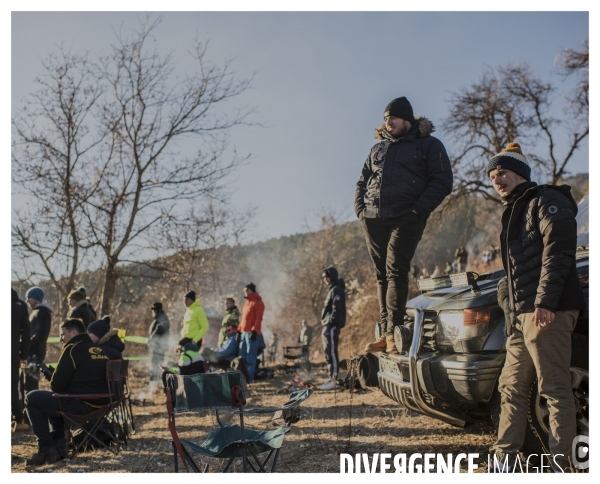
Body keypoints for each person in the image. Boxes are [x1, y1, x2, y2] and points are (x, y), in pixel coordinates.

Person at [486, 142, 586, 472]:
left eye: (501, 172)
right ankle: (505, 462)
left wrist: (544, 301)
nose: (496, 179)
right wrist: (509, 304)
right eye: (491, 175)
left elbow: (558, 253)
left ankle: (562, 464)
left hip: (549, 312)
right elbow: (515, 273)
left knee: (555, 389)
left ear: (519, 173)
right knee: (510, 388)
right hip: (522, 316)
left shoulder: (548, 200)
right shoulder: (513, 211)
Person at [357, 97, 453, 356]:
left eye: (393, 118)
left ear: (407, 120)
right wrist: (360, 211)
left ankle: (394, 333)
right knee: (381, 275)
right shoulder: (378, 149)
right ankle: (385, 330)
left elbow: (443, 181)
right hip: (374, 218)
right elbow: (362, 181)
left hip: (406, 217)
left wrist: (418, 210)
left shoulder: (429, 145)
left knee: (395, 271)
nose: (388, 123)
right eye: (386, 119)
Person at [24, 318, 109, 466]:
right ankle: (59, 447)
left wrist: (52, 376)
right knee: (54, 399)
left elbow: (56, 386)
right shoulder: (99, 349)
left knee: (32, 398)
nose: (61, 339)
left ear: (74, 332)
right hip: (103, 405)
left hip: (82, 405)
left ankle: (46, 449)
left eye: (63, 334)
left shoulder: (71, 349)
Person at [319, 267, 346, 390]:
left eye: (327, 277)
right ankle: (331, 378)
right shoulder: (332, 290)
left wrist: (331, 322)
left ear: (332, 276)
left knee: (332, 352)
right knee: (327, 352)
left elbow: (337, 308)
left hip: (332, 326)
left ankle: (334, 380)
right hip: (328, 325)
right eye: (324, 277)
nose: (325, 280)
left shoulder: (337, 290)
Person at [24, 287, 53, 393]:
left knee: (31, 379)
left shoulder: (42, 312)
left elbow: (40, 334)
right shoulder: (36, 311)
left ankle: (31, 401)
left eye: (29, 298)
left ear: (36, 298)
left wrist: (28, 344)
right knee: (28, 377)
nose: (27, 300)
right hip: (31, 350)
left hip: (35, 351)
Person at [237, 283, 265, 383]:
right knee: (241, 357)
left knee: (250, 356)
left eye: (247, 290)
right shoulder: (246, 303)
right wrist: (239, 331)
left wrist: (255, 330)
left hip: (251, 334)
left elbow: (258, 318)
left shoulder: (258, 303)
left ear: (251, 290)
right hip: (244, 333)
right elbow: (243, 319)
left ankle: (249, 378)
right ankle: (241, 378)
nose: (245, 291)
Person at [12, 289, 31, 432]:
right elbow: (26, 333)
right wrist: (23, 355)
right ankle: (19, 420)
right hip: (12, 352)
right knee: (12, 386)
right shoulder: (20, 305)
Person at [147, 302, 170, 380]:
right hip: (158, 346)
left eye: (154, 310)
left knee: (157, 363)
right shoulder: (159, 318)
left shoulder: (162, 318)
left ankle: (157, 379)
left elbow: (159, 330)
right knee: (155, 362)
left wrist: (151, 340)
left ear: (157, 310)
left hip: (159, 346)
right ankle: (156, 379)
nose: (152, 312)